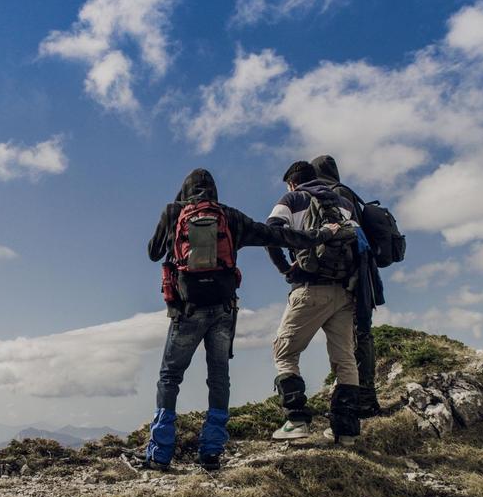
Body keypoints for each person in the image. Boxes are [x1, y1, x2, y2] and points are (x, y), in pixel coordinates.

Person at [145, 168, 338, 471]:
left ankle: (159, 453)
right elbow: (276, 234)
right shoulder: (229, 216)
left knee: (170, 376)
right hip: (223, 310)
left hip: (187, 310)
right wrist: (322, 235)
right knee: (219, 378)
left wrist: (173, 218)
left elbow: (153, 253)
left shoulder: (174, 212)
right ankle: (211, 452)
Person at [266, 161, 364, 445]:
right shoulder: (343, 203)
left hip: (310, 288)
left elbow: (271, 232)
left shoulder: (292, 199)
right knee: (344, 358)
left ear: (292, 183)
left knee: (284, 352)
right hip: (345, 291)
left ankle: (296, 420)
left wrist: (286, 268)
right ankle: (345, 431)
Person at [310, 155, 385, 418]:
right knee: (360, 333)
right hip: (364, 273)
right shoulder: (348, 193)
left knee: (354, 335)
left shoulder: (331, 195)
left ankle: (360, 399)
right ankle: (365, 397)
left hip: (350, 277)